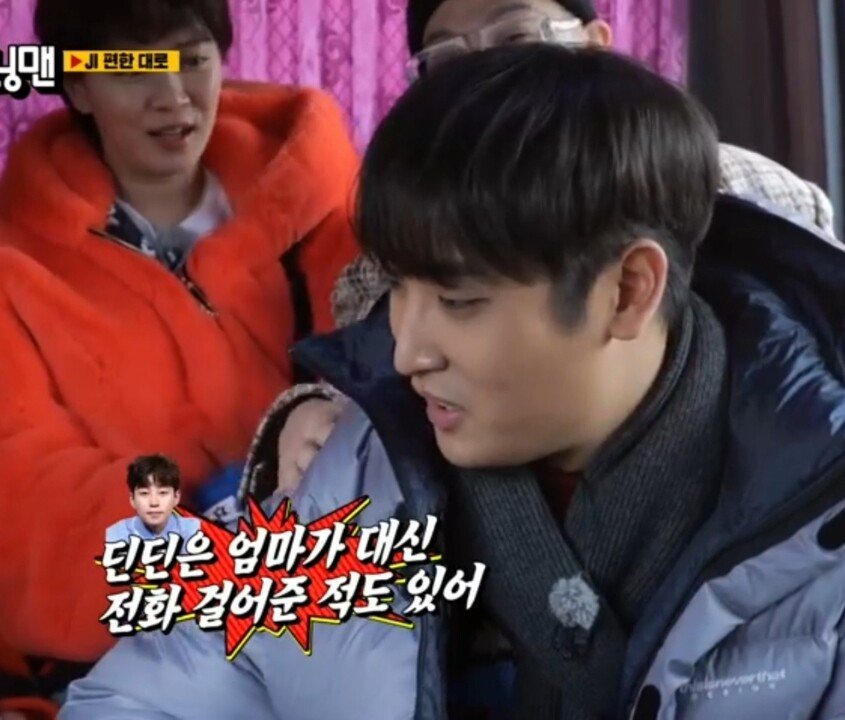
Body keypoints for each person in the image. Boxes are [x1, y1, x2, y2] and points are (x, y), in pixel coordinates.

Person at [61, 45, 845, 719]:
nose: (406, 354)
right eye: (398, 288)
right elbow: (157, 688)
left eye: (459, 301)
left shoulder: (817, 533)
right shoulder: (355, 470)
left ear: (627, 291)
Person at [258, 0, 840, 497]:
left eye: (515, 38)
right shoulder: (389, 278)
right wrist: (309, 422)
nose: (489, 77)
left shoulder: (752, 198)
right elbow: (366, 387)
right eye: (448, 60)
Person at [0, 0, 359, 710]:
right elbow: (23, 481)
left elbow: (398, 377)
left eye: (193, 60)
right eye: (133, 69)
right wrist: (212, 556)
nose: (172, 96)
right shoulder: (17, 266)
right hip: (143, 648)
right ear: (78, 87)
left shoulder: (326, 208)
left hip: (348, 602)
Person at [105, 455, 200, 544]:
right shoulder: (117, 535)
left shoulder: (194, 529)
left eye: (162, 493)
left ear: (176, 497)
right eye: (144, 493)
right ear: (132, 499)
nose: (154, 503)